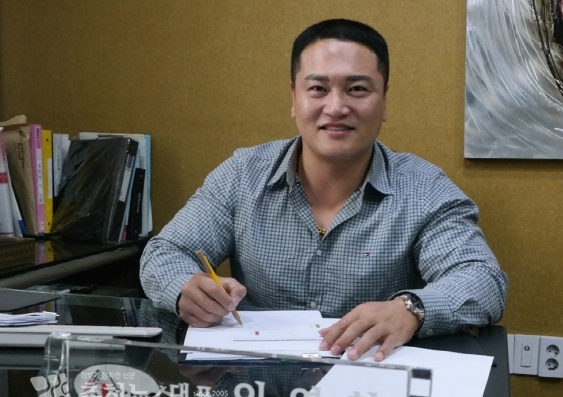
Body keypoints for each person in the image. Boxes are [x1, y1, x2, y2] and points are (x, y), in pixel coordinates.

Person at [140, 18, 508, 362]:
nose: (336, 107)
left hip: (370, 385)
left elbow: (482, 279)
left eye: (357, 89)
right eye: (317, 88)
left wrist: (410, 310)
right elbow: (164, 251)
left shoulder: (423, 188)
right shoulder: (243, 174)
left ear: (384, 100)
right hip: (257, 385)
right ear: (294, 97)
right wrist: (183, 287)